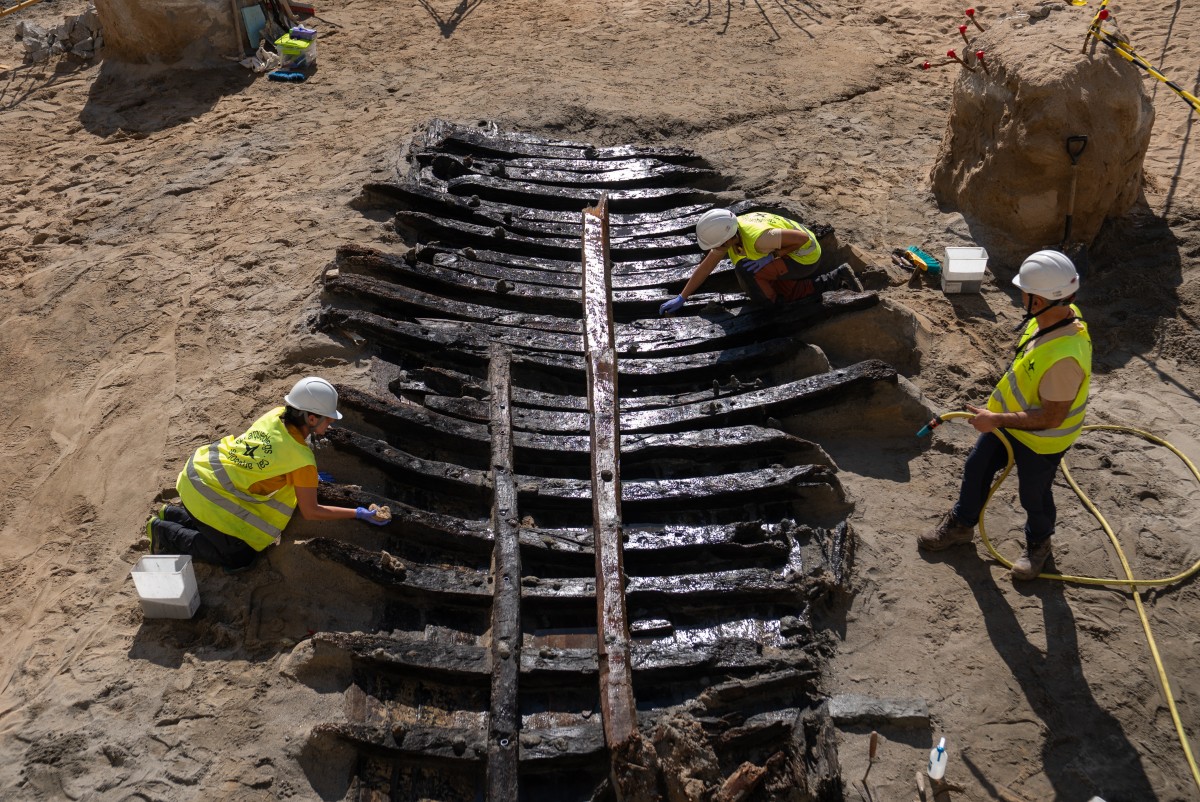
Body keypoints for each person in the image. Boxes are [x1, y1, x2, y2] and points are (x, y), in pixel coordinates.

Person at [918, 250, 1091, 580]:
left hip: (1043, 438)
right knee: (977, 467)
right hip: (1011, 420)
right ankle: (961, 525)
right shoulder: (1054, 316)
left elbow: (1052, 417)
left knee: (1033, 494)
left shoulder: (1065, 359)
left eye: (1024, 292)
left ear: (1038, 301)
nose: (1019, 297)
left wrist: (996, 419)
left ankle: (1039, 544)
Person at [146, 376, 390, 571]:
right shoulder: (302, 462)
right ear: (312, 418)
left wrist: (307, 480)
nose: (331, 424)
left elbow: (270, 457)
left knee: (224, 530)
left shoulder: (274, 416)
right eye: (328, 419)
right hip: (206, 494)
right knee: (240, 556)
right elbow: (312, 511)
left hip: (198, 470)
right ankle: (163, 532)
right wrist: (358, 513)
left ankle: (173, 513)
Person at [658, 207, 861, 315]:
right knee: (757, 275)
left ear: (728, 238)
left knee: (748, 272)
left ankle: (775, 308)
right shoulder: (732, 233)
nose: (717, 249)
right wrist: (682, 297)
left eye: (719, 245)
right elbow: (706, 268)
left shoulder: (758, 239)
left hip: (805, 257)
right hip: (785, 252)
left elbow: (804, 240)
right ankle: (837, 278)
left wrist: (772, 257)